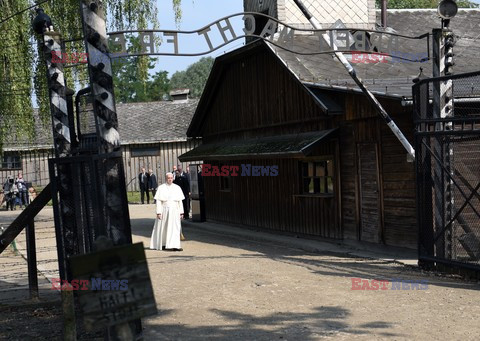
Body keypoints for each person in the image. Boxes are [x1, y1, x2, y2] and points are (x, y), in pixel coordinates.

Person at [150, 172, 185, 251]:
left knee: (175, 228)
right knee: (164, 228)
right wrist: (158, 212)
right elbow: (159, 202)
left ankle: (175, 245)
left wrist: (181, 212)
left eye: (171, 178)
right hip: (164, 210)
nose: (170, 179)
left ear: (173, 178)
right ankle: (163, 243)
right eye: (168, 178)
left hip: (175, 210)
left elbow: (180, 201)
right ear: (166, 178)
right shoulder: (161, 188)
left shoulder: (177, 188)